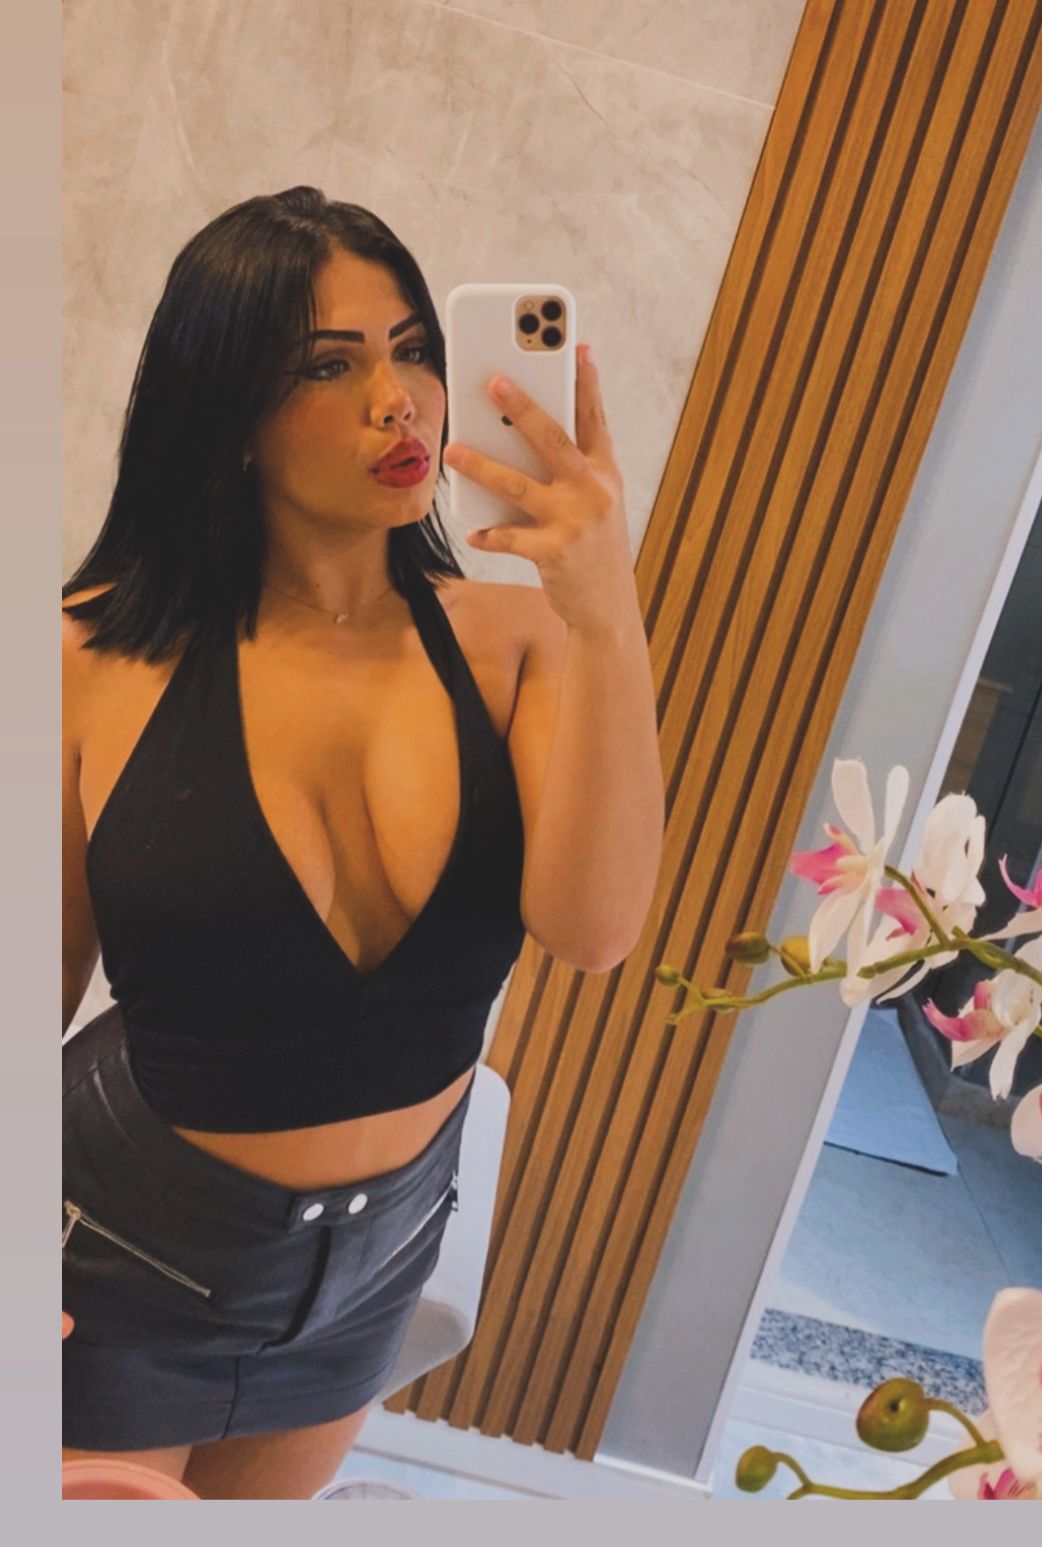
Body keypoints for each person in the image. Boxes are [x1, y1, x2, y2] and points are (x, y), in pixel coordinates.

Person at [61, 186, 664, 1498]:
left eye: (413, 350)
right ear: (226, 414)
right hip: (111, 1261)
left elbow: (594, 931)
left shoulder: (523, 646)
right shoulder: (87, 657)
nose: (401, 402)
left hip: (370, 1274)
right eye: (328, 366)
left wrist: (605, 609)